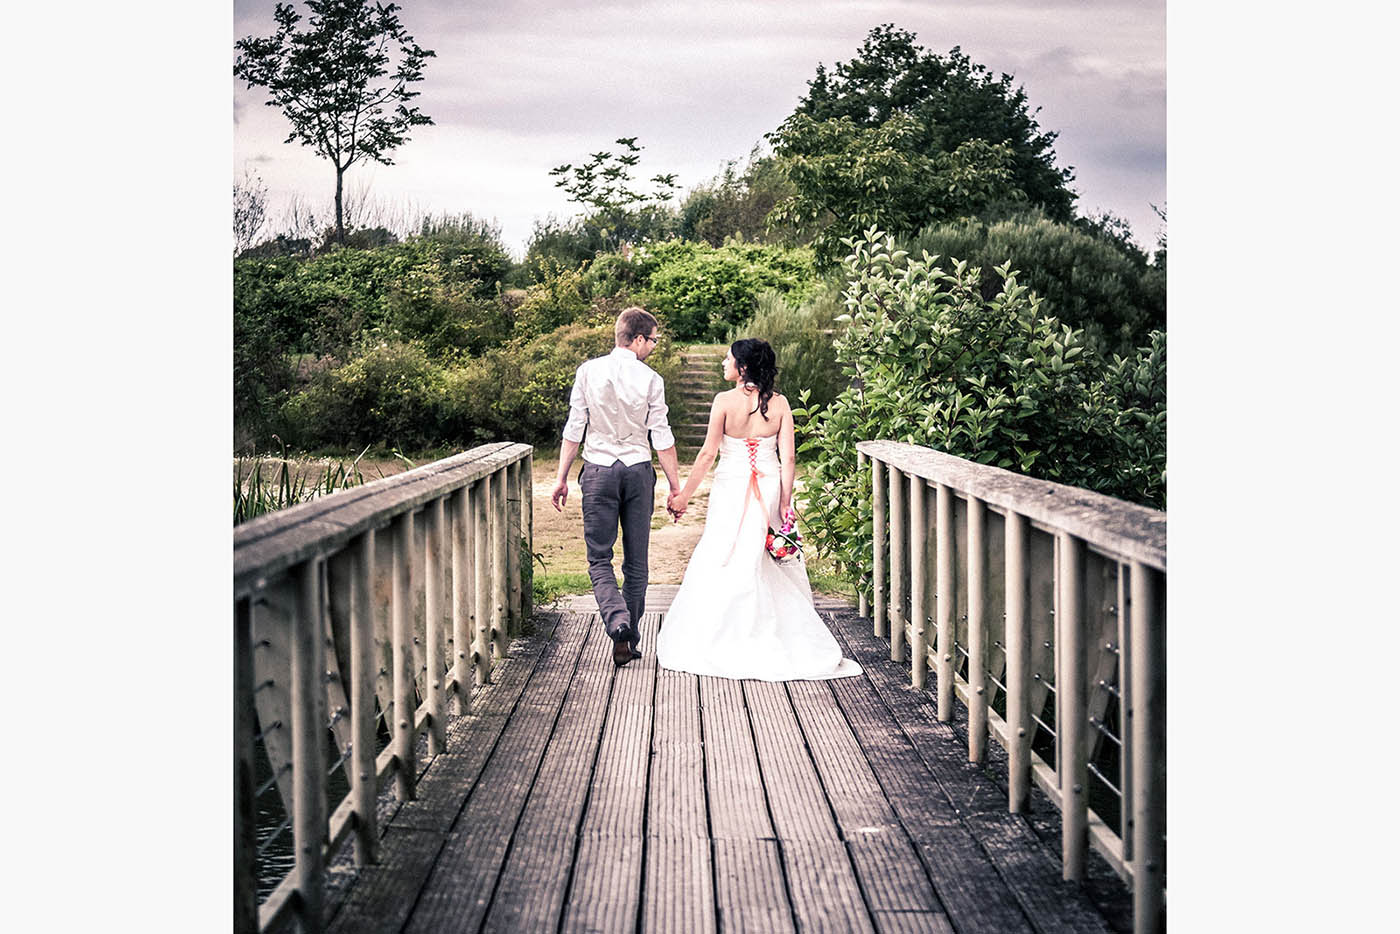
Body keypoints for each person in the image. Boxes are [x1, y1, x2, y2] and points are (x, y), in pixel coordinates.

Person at [658, 338, 861, 681]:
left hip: (732, 487)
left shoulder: (724, 402)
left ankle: (724, 633)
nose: (724, 362)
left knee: (725, 551)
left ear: (743, 367)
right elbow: (789, 457)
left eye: (729, 358)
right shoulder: (780, 404)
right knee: (760, 556)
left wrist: (683, 497)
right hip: (767, 486)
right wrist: (785, 501)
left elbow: (708, 455)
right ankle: (774, 632)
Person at [551, 307, 681, 668]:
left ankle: (616, 619)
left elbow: (574, 427)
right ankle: (629, 636)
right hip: (638, 471)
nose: (654, 346)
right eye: (653, 339)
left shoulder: (588, 371)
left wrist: (562, 477)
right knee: (637, 562)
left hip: (599, 471)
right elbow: (662, 435)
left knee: (599, 558)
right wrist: (674, 486)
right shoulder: (651, 379)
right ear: (637, 339)